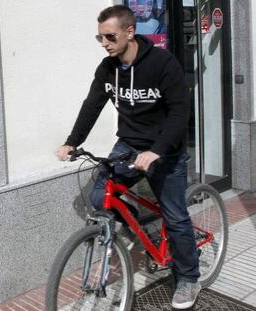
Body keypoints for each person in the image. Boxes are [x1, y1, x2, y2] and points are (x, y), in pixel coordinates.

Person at [56, 5, 200, 310]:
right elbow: (91, 105)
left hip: (166, 151)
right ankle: (141, 229)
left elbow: (179, 112)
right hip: (129, 144)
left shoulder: (163, 64)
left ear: (130, 32)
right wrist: (72, 142)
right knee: (100, 197)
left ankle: (188, 277)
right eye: (100, 37)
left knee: (175, 216)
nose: (104, 43)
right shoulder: (107, 68)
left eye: (109, 36)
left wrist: (157, 150)